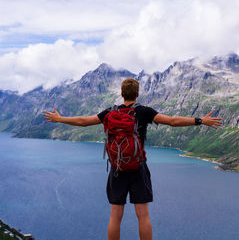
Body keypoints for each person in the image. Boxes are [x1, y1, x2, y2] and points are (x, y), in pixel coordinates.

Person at [43, 78, 222, 240]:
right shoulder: (143, 112)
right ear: (137, 94)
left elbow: (83, 121)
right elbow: (172, 121)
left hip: (117, 168)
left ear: (122, 94)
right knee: (142, 215)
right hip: (138, 167)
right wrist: (200, 120)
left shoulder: (109, 112)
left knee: (115, 216)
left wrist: (60, 119)